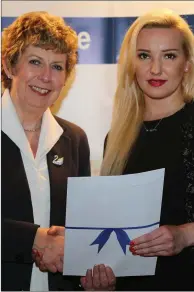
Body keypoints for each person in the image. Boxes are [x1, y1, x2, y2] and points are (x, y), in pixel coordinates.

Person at [1, 11, 116, 291]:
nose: (45, 76)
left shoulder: (74, 139)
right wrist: (31, 240)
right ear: (8, 66)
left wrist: (93, 272)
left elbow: (83, 227)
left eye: (57, 66)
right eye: (35, 61)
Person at [100, 8, 194, 291]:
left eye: (169, 55)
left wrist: (186, 235)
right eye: (144, 56)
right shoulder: (115, 139)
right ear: (132, 63)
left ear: (187, 63)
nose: (155, 69)